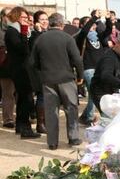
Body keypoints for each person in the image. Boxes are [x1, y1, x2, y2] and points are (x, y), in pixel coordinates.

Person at [31, 13, 84, 150]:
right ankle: (73, 138)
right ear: (62, 25)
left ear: (49, 23)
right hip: (66, 78)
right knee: (71, 108)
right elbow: (77, 59)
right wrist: (80, 75)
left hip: (48, 79)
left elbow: (33, 62)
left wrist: (42, 72)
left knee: (51, 111)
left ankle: (52, 142)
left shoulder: (41, 39)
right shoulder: (68, 38)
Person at [5, 6, 40, 139]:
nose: (26, 20)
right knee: (26, 99)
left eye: (27, 18)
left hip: (23, 68)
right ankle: (25, 129)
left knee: (24, 99)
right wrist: (25, 31)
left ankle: (21, 126)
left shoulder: (18, 30)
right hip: (19, 69)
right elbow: (22, 49)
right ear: (16, 17)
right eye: (23, 17)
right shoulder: (12, 31)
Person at [76, 10, 112, 126]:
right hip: (88, 69)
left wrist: (107, 19)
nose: (93, 26)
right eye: (90, 24)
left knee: (94, 94)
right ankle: (92, 116)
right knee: (95, 92)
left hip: (99, 69)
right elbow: (85, 30)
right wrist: (94, 18)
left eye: (94, 24)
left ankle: (86, 116)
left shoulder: (98, 37)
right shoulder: (81, 37)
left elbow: (108, 31)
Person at [28, 10, 49, 134]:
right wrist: (39, 32)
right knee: (42, 95)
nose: (45, 21)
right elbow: (35, 47)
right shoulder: (34, 34)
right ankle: (40, 124)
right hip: (39, 70)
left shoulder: (49, 32)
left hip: (49, 69)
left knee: (48, 96)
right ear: (36, 22)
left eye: (46, 19)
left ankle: (46, 122)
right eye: (42, 19)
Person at [0, 7, 15, 129]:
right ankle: (8, 119)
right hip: (4, 66)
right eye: (8, 15)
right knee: (8, 94)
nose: (10, 18)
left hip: (17, 65)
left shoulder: (16, 29)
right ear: (2, 17)